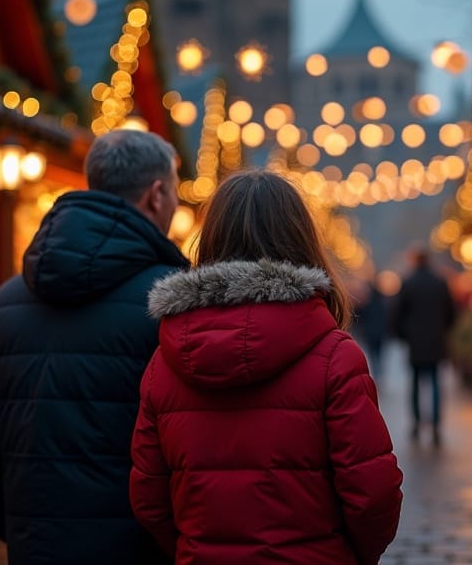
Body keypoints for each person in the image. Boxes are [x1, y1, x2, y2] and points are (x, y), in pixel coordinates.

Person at [130, 169, 403, 564]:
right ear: (302, 241)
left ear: (211, 239)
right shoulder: (336, 357)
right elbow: (373, 493)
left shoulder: (165, 363)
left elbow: (149, 496)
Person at [0, 130, 188, 565]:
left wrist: (19, 525)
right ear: (156, 194)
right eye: (175, 191)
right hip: (139, 547)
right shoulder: (168, 300)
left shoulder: (4, 302)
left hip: (35, 545)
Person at [392, 246, 456, 446]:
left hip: (416, 342)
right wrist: (443, 330)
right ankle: (436, 423)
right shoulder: (440, 282)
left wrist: (404, 335)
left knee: (415, 383)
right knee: (436, 382)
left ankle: (417, 422)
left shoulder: (408, 283)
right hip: (436, 340)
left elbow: (397, 313)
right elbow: (451, 313)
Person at [352, 272, 390, 380]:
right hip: (380, 333)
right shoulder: (382, 301)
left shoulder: (366, 302)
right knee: (379, 355)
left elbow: (360, 317)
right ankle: (379, 375)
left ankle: (377, 375)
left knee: (373, 355)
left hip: (370, 333)